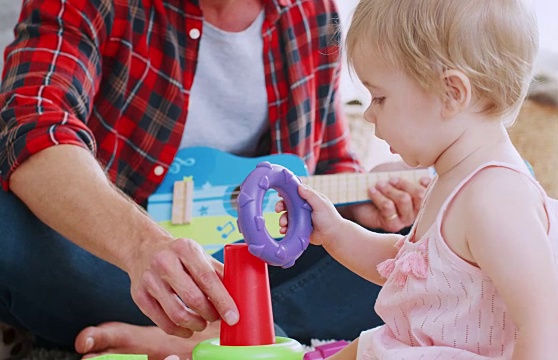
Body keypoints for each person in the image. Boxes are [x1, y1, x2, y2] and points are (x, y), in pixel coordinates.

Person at [0, 0, 429, 358]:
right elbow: (30, 122)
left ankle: (209, 336)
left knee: (429, 244)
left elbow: (328, 161)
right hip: (117, 265)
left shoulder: (312, 11)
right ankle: (247, 332)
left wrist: (358, 201)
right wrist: (142, 248)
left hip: (258, 276)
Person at [282, 0, 558, 358]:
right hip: (457, 342)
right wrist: (335, 232)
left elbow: (545, 320)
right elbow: (412, 268)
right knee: (369, 347)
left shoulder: (493, 197)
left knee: (374, 351)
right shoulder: (453, 177)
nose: (371, 115)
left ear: (452, 93)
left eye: (380, 97)